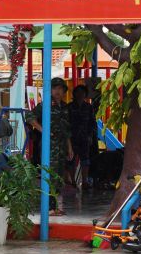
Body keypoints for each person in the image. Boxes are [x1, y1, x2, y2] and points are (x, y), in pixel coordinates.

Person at [25, 77, 74, 214]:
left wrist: (69, 147)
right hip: (49, 146)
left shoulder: (64, 107)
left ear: (64, 91)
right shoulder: (45, 105)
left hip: (61, 146)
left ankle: (55, 207)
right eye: (54, 88)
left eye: (60, 89)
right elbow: (29, 117)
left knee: (58, 176)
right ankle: (49, 208)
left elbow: (67, 129)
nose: (57, 91)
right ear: (50, 90)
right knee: (49, 175)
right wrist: (43, 130)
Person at [68, 84, 96, 191]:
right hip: (72, 138)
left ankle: (84, 181)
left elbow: (92, 123)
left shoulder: (89, 107)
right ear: (74, 94)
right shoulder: (69, 107)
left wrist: (90, 136)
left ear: (85, 94)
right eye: (78, 92)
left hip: (84, 138)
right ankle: (72, 181)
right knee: (71, 160)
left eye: (82, 92)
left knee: (85, 160)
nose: (80, 94)